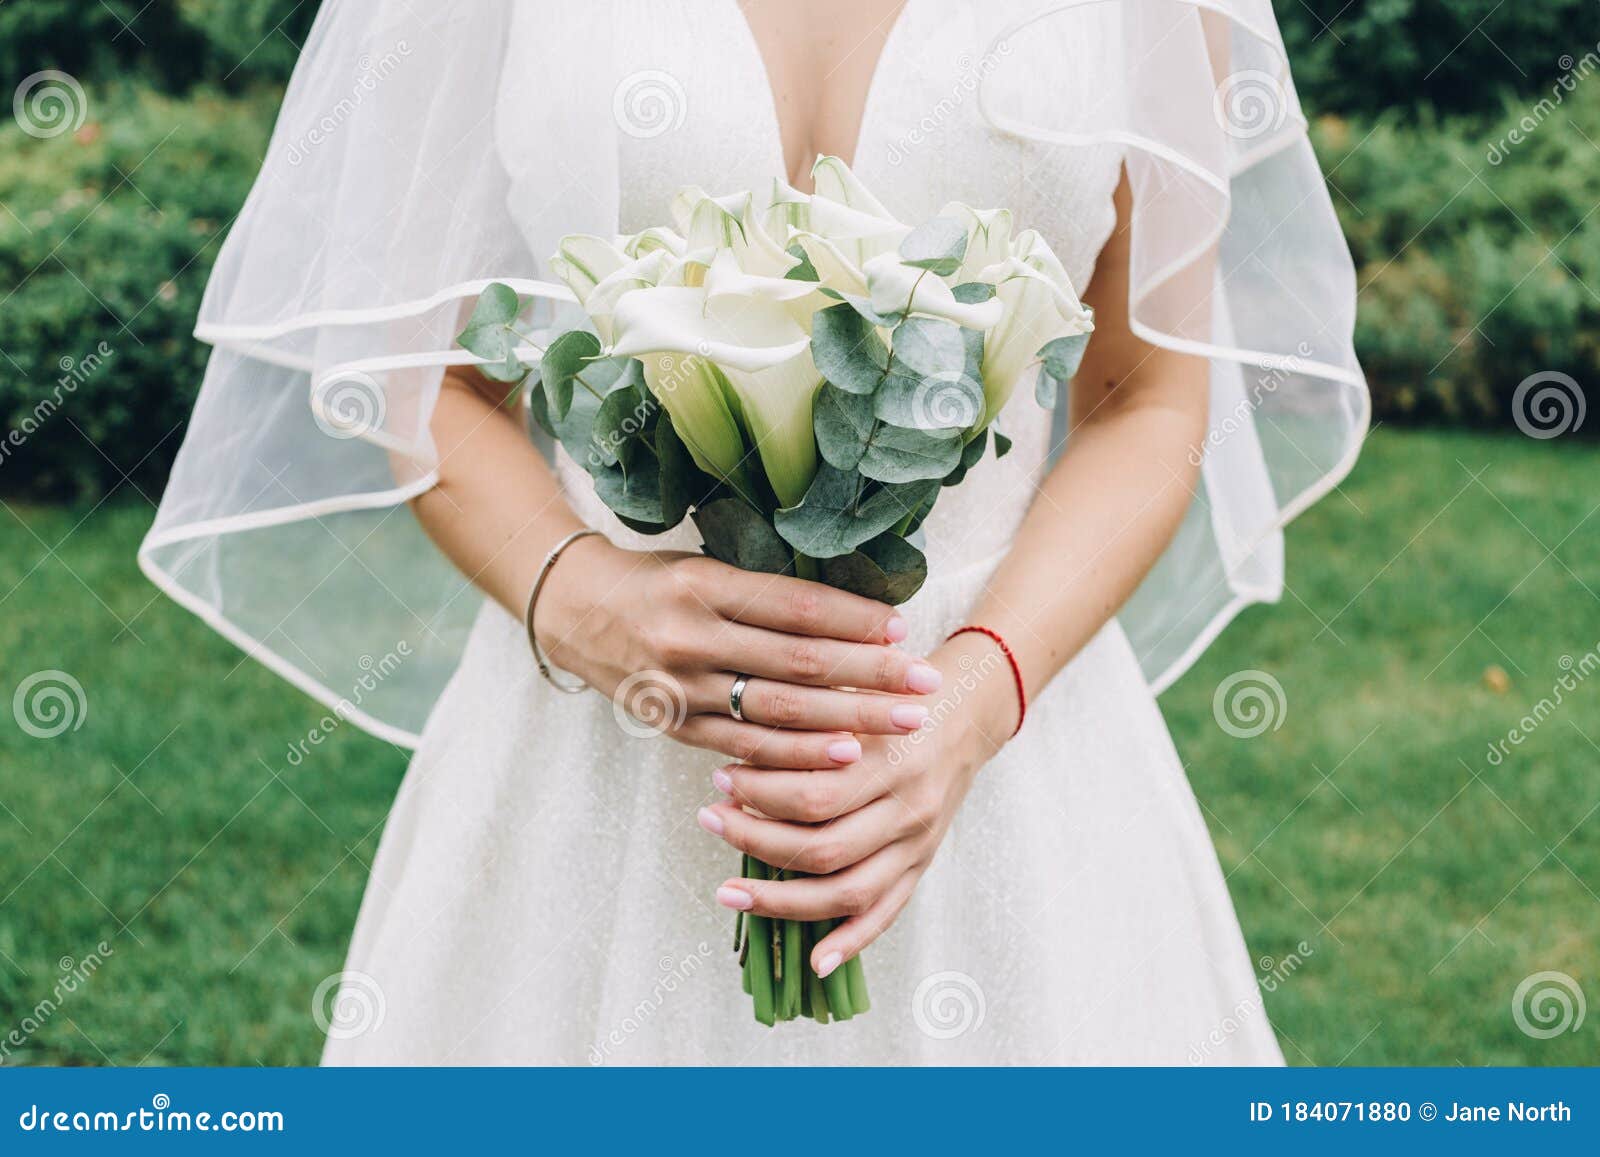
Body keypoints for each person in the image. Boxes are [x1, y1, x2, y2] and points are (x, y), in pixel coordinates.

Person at [141, 0, 1368, 1064]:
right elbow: (424, 381)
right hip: (595, 746)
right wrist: (573, 594)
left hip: (992, 736)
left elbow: (1144, 398)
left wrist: (974, 701)